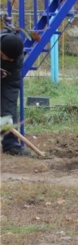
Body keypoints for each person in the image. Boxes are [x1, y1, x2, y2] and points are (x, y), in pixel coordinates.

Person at [1, 24, 31, 156]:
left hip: (7, 81)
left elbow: (11, 88)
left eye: (9, 60)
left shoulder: (16, 59)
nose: (6, 60)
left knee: (8, 109)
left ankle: (11, 145)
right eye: (3, 56)